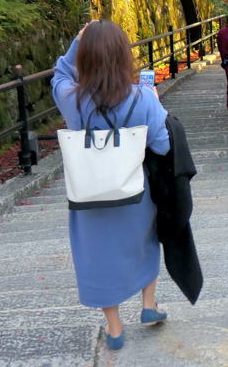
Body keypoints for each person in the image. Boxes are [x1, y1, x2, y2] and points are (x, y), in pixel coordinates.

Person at [51, 19, 171, 351]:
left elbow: (59, 76)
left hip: (89, 195)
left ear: (86, 58)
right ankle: (149, 305)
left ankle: (115, 328)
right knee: (145, 243)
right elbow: (162, 145)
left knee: (99, 255)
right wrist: (155, 105)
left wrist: (77, 42)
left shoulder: (72, 99)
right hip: (133, 192)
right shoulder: (143, 97)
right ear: (123, 55)